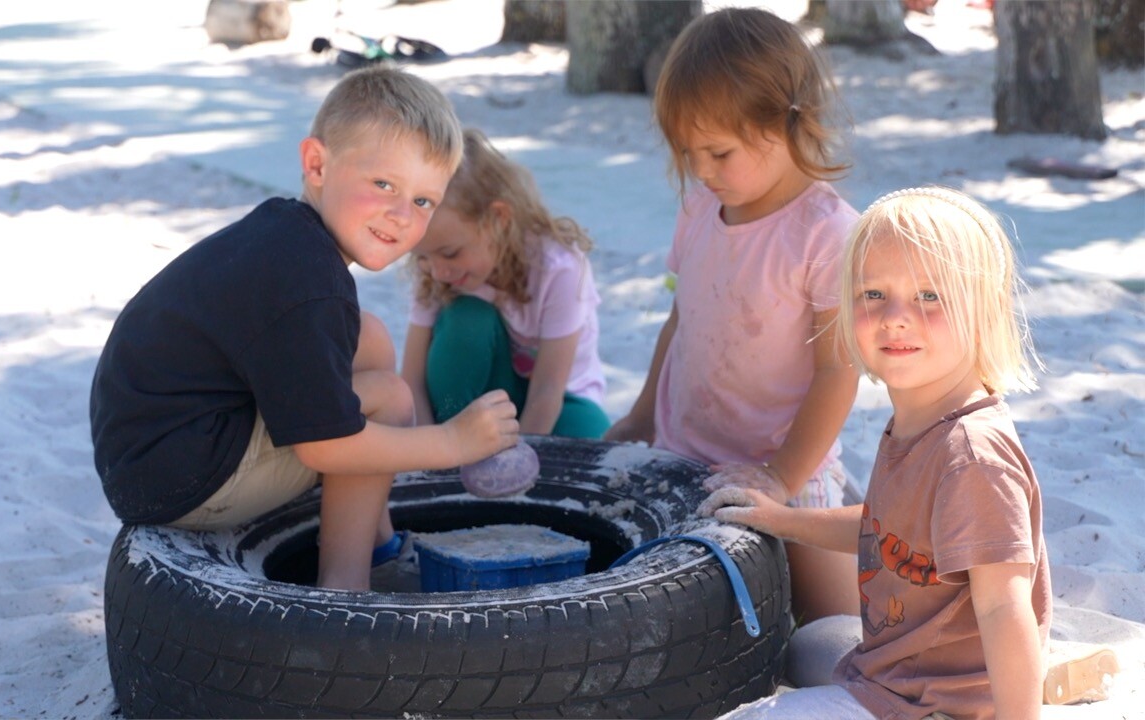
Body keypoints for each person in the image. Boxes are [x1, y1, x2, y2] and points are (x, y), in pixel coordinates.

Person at [89, 66, 520, 592]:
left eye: (423, 200)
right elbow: (327, 448)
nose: (402, 215)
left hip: (155, 449)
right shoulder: (311, 284)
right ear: (317, 164)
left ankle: (377, 541)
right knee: (386, 399)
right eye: (383, 184)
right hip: (183, 480)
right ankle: (345, 587)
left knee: (372, 338)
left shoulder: (287, 237)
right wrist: (452, 442)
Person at [708, 186, 1053, 718]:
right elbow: (887, 530)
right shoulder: (921, 418)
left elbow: (1004, 608)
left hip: (935, 703)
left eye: (930, 295)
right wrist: (782, 520)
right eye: (873, 294)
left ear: (982, 309)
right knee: (806, 645)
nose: (896, 316)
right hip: (892, 670)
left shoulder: (973, 455)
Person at [604, 7, 861, 622]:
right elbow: (682, 318)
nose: (700, 170)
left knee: (835, 635)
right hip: (685, 455)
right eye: (689, 152)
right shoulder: (700, 209)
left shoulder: (827, 233)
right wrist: (641, 416)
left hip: (787, 475)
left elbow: (837, 374)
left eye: (718, 151)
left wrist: (779, 478)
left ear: (788, 122)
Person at [401, 128, 610, 438]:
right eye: (422, 257)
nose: (438, 271)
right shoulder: (436, 262)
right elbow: (412, 378)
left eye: (450, 253)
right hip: (484, 397)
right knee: (465, 320)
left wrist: (514, 462)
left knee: (590, 441)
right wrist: (431, 444)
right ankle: (453, 429)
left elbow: (547, 390)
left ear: (498, 218)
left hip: (561, 397)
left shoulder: (559, 267)